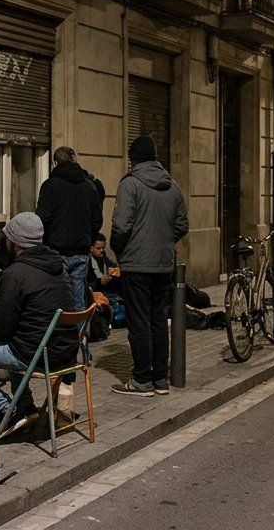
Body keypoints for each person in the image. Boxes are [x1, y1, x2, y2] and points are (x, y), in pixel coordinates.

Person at [0, 212, 74, 434]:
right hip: (62, 351)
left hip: (34, 353)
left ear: (14, 242)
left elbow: (1, 325)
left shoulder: (16, 272)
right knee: (16, 339)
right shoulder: (59, 267)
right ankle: (25, 405)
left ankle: (5, 408)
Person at [110, 135, 188, 397]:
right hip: (164, 264)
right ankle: (160, 379)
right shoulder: (172, 186)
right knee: (158, 319)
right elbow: (181, 225)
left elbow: (121, 225)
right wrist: (163, 243)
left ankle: (141, 379)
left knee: (139, 321)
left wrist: (121, 248)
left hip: (136, 264)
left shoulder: (130, 184)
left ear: (134, 158)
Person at [36, 146, 104, 310]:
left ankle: (61, 333)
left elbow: (42, 218)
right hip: (81, 250)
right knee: (78, 293)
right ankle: (79, 334)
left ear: (55, 163)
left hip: (56, 249)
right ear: (74, 161)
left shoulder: (50, 185)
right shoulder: (89, 186)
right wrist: (87, 238)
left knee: (58, 295)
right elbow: (97, 219)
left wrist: (46, 240)